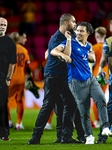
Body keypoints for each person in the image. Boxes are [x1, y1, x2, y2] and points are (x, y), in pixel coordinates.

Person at [52, 22, 112, 145]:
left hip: (90, 78)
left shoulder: (87, 46)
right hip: (76, 80)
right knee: (84, 110)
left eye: (81, 31)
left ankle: (106, 127)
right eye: (77, 30)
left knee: (101, 99)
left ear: (88, 33)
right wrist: (62, 54)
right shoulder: (70, 42)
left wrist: (88, 55)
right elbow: (54, 51)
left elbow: (92, 57)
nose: (78, 33)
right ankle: (89, 136)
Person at [28, 14, 82, 145]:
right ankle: (36, 137)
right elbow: (64, 54)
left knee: (65, 105)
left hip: (64, 77)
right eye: (73, 21)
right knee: (49, 106)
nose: (75, 24)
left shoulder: (70, 36)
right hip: (53, 76)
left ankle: (63, 137)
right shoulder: (56, 38)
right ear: (65, 23)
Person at [7, 32, 31, 130]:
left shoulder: (7, 49)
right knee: (20, 101)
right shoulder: (24, 50)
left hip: (10, 79)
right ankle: (19, 124)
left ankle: (9, 122)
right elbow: (28, 67)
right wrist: (30, 77)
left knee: (3, 100)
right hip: (21, 79)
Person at [92, 26, 109, 128]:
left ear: (96, 35)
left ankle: (97, 121)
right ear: (105, 35)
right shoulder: (108, 47)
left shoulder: (93, 48)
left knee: (95, 98)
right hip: (106, 73)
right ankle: (105, 120)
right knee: (103, 97)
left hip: (96, 73)